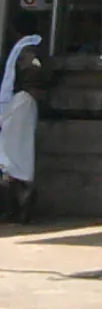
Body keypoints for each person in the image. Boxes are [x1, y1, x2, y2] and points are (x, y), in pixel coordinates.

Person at [0, 33, 45, 221]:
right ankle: (20, 202)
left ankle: (20, 201)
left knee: (11, 159)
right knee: (15, 160)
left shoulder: (29, 63)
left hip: (18, 108)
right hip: (19, 109)